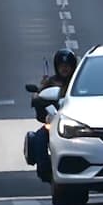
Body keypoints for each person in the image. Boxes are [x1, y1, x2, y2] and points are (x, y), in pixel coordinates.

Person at [25, 47, 79, 179]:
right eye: (61, 66)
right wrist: (39, 93)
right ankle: (44, 169)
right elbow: (39, 96)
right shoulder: (51, 82)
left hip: (76, 120)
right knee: (40, 137)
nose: (64, 69)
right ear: (56, 67)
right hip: (55, 119)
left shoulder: (79, 81)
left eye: (67, 65)